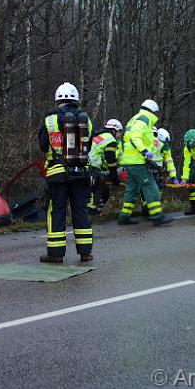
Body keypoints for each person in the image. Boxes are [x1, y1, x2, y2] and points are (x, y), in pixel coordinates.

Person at [38, 82, 94, 263]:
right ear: (76, 99)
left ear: (57, 100)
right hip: (81, 173)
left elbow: (43, 145)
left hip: (57, 173)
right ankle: (85, 253)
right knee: (80, 211)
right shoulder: (86, 120)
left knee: (57, 212)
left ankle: (55, 254)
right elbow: (89, 144)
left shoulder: (50, 120)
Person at [117, 99, 173, 226]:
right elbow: (135, 137)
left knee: (132, 189)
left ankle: (124, 216)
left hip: (130, 161)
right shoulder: (144, 119)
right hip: (138, 161)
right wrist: (144, 151)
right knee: (151, 187)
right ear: (153, 111)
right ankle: (156, 215)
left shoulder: (135, 118)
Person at [88, 119, 123, 214]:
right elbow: (111, 161)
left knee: (103, 191)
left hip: (86, 166)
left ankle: (93, 215)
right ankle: (88, 218)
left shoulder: (99, 135)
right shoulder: (110, 140)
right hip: (93, 168)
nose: (119, 135)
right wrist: (115, 177)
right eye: (119, 132)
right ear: (113, 130)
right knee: (93, 198)